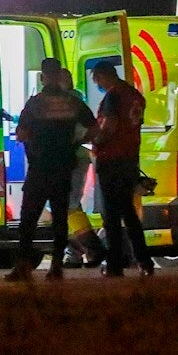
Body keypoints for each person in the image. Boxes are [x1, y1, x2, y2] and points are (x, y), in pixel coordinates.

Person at [6, 57, 97, 282]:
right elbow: (94, 128)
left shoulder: (36, 103)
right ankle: (56, 267)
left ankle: (23, 267)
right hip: (63, 167)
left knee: (29, 219)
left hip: (39, 168)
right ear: (58, 75)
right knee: (60, 219)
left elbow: (22, 133)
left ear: (43, 76)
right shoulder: (72, 103)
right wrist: (76, 142)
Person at [91, 60, 155, 277]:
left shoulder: (113, 96)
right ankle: (144, 262)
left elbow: (109, 126)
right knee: (129, 214)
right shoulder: (135, 96)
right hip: (129, 160)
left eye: (96, 79)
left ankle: (115, 265)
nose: (96, 83)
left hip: (111, 160)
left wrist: (95, 141)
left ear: (103, 75)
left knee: (111, 216)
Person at [58, 67, 105, 268]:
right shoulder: (74, 101)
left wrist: (75, 142)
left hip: (72, 158)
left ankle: (91, 248)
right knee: (68, 205)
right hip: (71, 158)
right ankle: (77, 252)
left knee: (68, 204)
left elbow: (92, 130)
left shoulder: (70, 102)